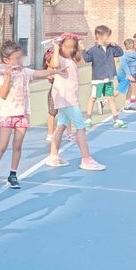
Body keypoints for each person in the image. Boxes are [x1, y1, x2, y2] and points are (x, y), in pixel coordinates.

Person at [0, 41, 56, 191]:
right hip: (7, 115)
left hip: (23, 114)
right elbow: (2, 95)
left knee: (17, 145)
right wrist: (8, 77)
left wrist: (56, 71)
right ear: (6, 60)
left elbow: (39, 73)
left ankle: (13, 175)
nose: (20, 61)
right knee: (2, 146)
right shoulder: (1, 74)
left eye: (21, 58)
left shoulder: (25, 72)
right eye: (16, 58)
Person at [45, 34, 106, 171]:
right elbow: (54, 65)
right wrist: (55, 47)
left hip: (67, 99)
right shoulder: (59, 58)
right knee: (81, 127)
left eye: (73, 47)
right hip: (68, 100)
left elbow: (81, 60)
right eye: (67, 47)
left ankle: (53, 156)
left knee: (61, 125)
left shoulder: (70, 59)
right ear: (61, 46)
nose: (70, 50)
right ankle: (86, 159)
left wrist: (80, 46)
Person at [82, 25, 128, 127]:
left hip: (108, 78)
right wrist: (82, 48)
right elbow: (87, 59)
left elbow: (120, 53)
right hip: (98, 79)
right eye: (106, 36)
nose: (108, 38)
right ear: (98, 36)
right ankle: (88, 119)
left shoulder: (111, 48)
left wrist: (115, 45)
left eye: (108, 36)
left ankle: (115, 119)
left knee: (111, 98)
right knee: (93, 98)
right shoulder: (93, 50)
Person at [118, 38, 136, 108]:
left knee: (129, 89)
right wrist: (129, 75)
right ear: (133, 45)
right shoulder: (132, 55)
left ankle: (127, 105)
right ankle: (104, 102)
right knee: (120, 90)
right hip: (126, 75)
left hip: (127, 74)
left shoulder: (126, 55)